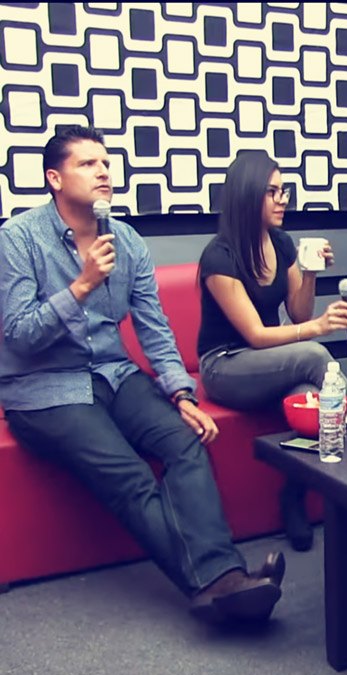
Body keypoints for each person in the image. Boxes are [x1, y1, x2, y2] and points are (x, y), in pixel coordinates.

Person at [0, 125, 285, 624]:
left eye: (105, 163)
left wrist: (181, 394)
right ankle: (221, 582)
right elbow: (20, 334)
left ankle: (223, 585)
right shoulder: (18, 239)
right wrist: (83, 285)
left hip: (115, 374)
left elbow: (154, 328)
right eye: (87, 164)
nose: (103, 172)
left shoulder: (126, 239)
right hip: (43, 388)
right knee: (131, 476)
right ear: (54, 178)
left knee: (186, 443)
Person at [196, 151, 347, 552]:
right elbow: (255, 335)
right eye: (272, 192)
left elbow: (298, 312)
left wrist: (310, 270)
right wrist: (317, 328)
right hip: (225, 366)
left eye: (283, 191)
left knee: (311, 395)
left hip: (271, 362)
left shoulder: (281, 243)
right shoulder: (219, 257)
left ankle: (293, 495)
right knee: (315, 355)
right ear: (248, 195)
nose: (282, 199)